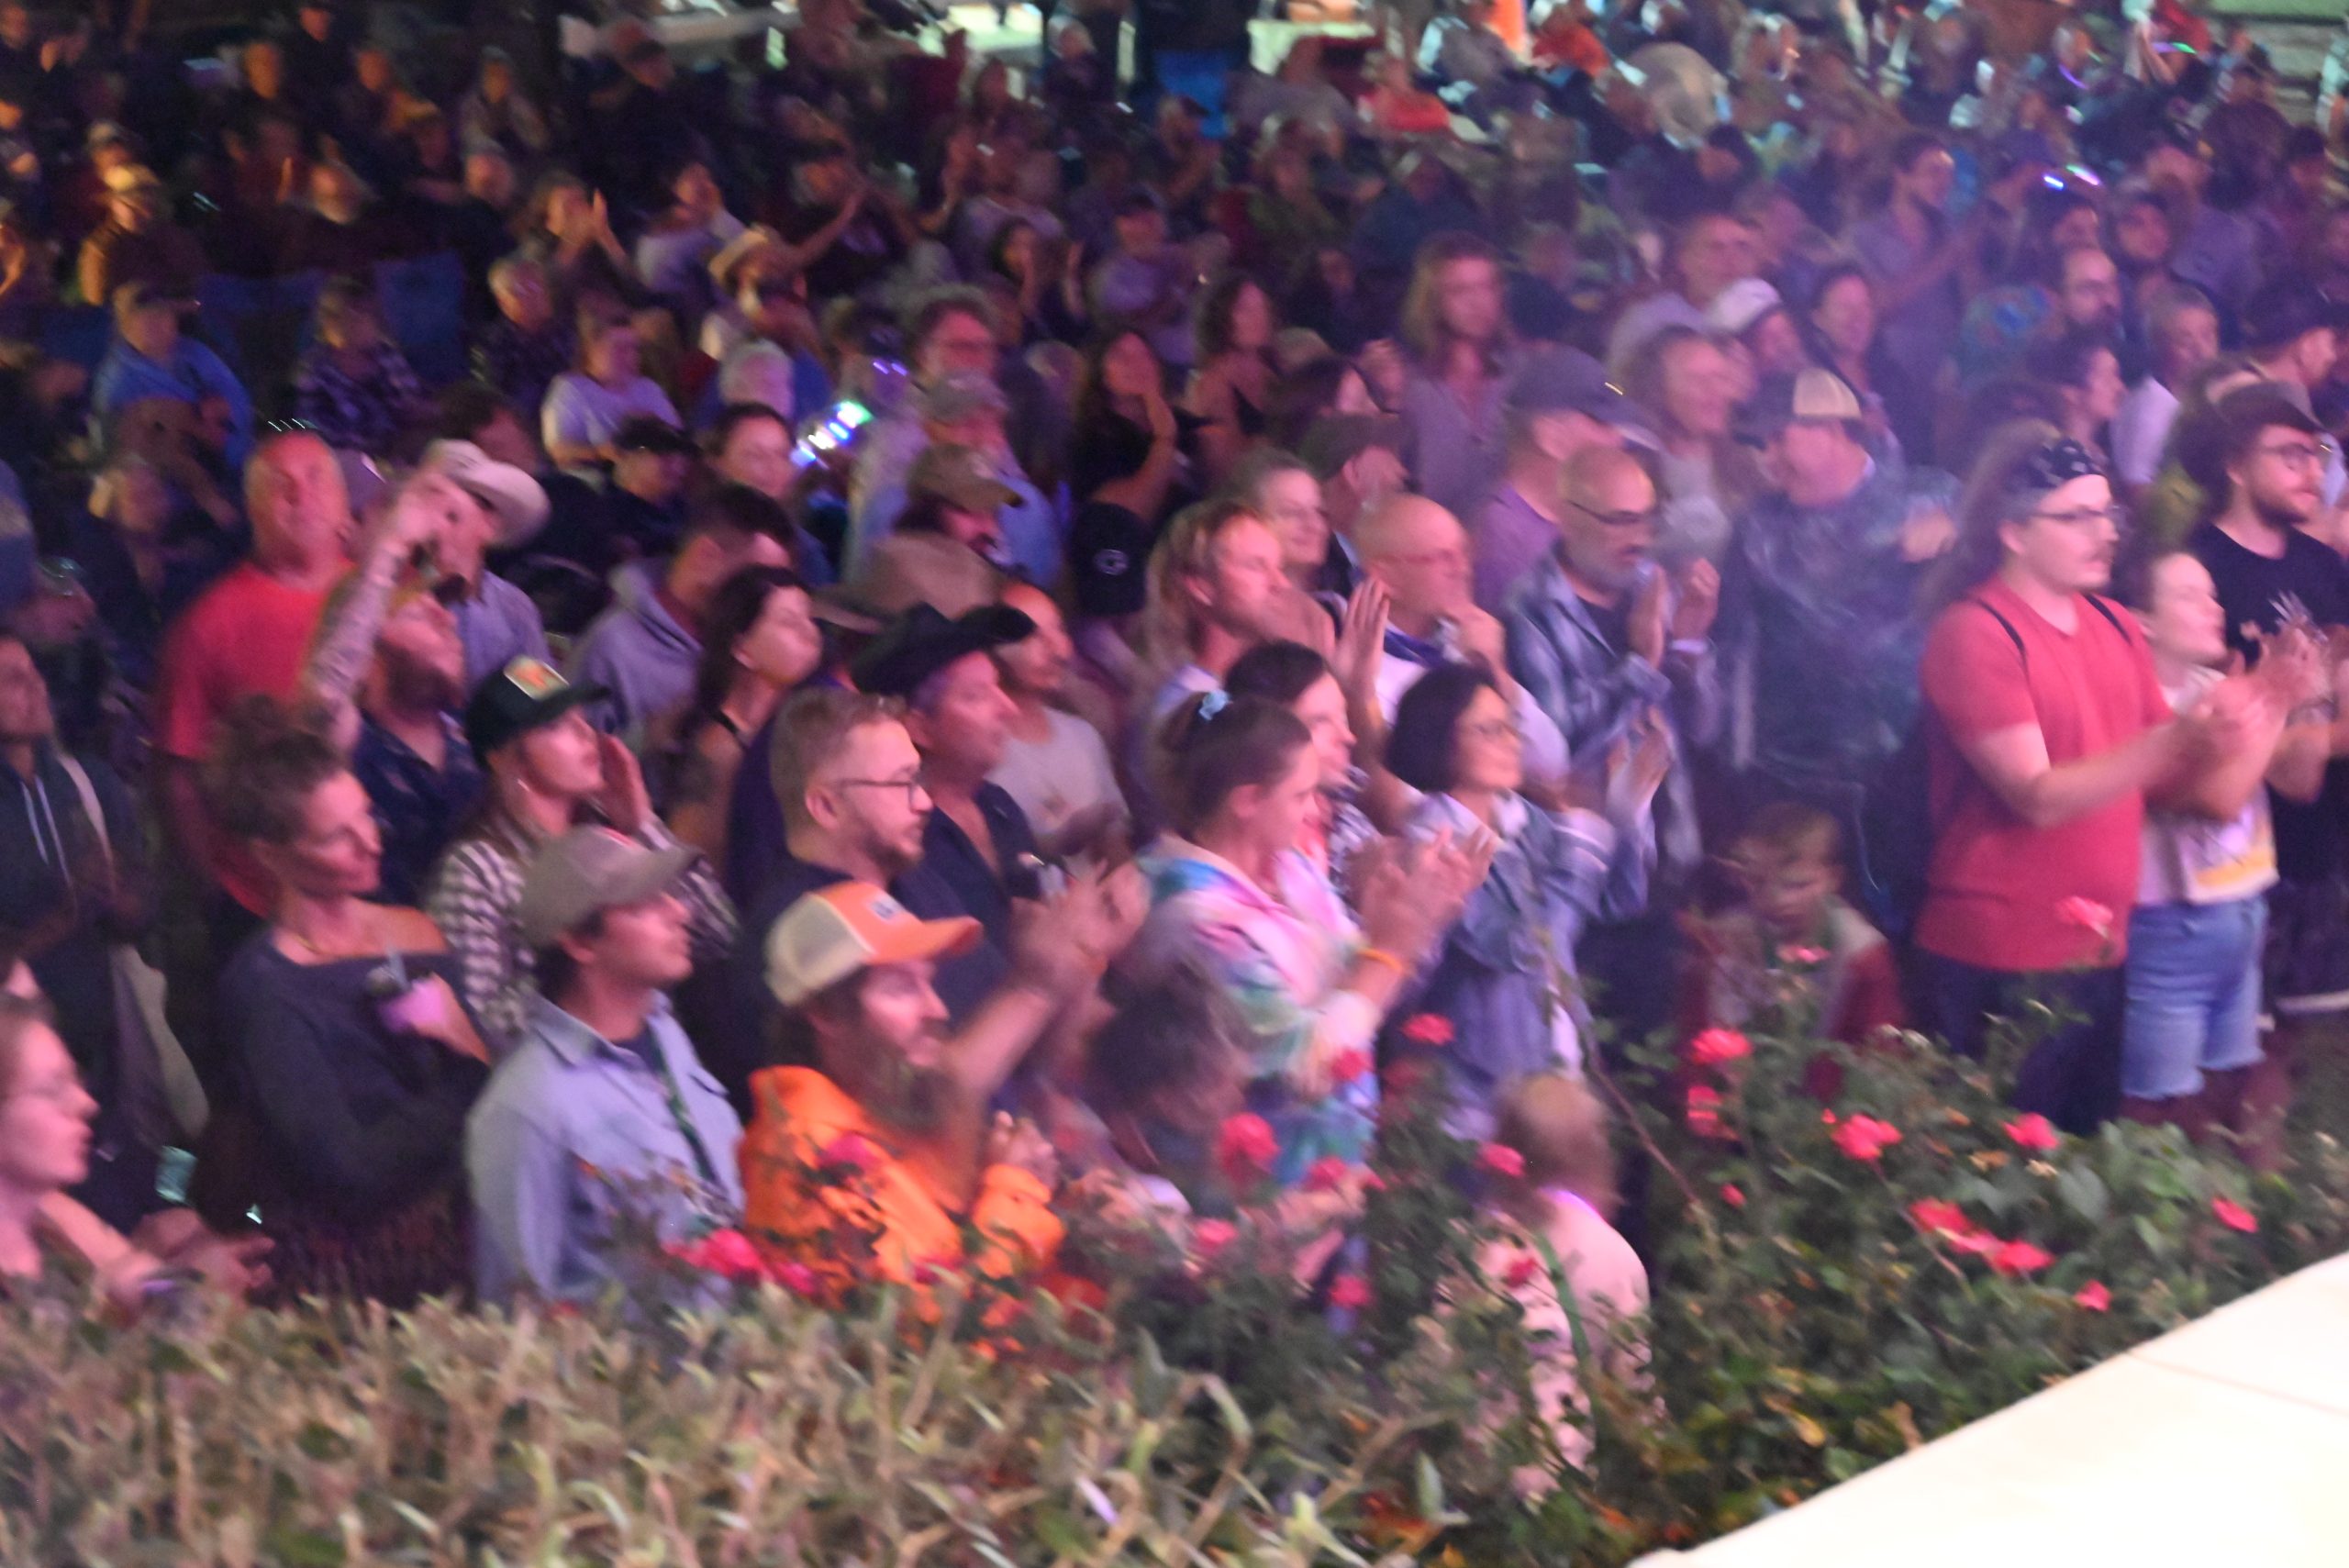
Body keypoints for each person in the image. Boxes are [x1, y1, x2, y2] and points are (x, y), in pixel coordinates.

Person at [1915, 423, 2266, 1132]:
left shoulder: (2112, 623)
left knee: (2082, 1165)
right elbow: (2037, 796)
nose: (2105, 533)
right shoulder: (1977, 631)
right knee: (2000, 1177)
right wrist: (2179, 735)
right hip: (2001, 956)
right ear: (2014, 531)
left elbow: (2157, 782)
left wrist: (2251, 713)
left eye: (2108, 513)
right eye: (2077, 517)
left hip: (2101, 946)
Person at [1129, 692, 1487, 1184]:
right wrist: (1390, 948)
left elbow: (1358, 992)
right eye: (1301, 795)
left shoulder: (1290, 865)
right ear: (1248, 800)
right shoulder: (1189, 913)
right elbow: (1301, 1062)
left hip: (1334, 1169)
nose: (1314, 809)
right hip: (1255, 1200)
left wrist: (1414, 916)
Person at [206, 701, 491, 1303]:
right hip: (346, 1277)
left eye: (365, 814)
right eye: (337, 836)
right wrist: (470, 1071)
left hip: (456, 1239)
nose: (369, 840)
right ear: (270, 854)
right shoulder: (267, 989)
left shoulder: (415, 929)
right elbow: (349, 1170)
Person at [739, 883, 1066, 1293]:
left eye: (929, 983)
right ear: (825, 1013)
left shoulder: (887, 1117)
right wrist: (1015, 1188)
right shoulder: (806, 1157)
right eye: (902, 988)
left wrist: (1081, 1239)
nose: (937, 1009)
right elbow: (931, 1334)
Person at [468, 827, 746, 1303]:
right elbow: (518, 1312)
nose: (681, 912)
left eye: (671, 896)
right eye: (645, 903)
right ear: (580, 941)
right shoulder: (527, 1106)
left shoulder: (666, 1034)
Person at [1386, 662, 1664, 1137]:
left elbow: (1618, 900)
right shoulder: (1430, 842)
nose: (1512, 740)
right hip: (1477, 1100)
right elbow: (1517, 947)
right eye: (1489, 730)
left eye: (1510, 724)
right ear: (1439, 739)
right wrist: (1582, 850)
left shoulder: (1526, 820)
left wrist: (1624, 814)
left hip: (1550, 1072)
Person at [1721, 369, 1957, 921]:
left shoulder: (1929, 496)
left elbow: (2010, 543)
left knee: (1905, 937)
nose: (1767, 457)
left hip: (1907, 769)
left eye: (1779, 437)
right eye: (1759, 444)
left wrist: (1963, 529)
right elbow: (1730, 652)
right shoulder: (1757, 527)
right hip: (1795, 779)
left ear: (1832, 428)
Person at [1508, 446, 1722, 1037]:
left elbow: (1706, 732)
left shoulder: (1656, 590)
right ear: (1565, 513)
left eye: (1648, 519)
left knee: (1656, 1079)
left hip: (1663, 881)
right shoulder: (1529, 615)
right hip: (1583, 894)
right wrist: (1638, 662)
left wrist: (1689, 649)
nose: (1639, 537)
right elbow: (1556, 751)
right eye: (1619, 520)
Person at [425, 656, 735, 1057]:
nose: (585, 733)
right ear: (507, 758)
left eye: (581, 717)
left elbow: (720, 936)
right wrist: (582, 962)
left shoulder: (613, 836)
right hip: (561, 1081)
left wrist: (641, 823)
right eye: (555, 725)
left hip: (658, 1056)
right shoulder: (475, 870)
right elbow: (476, 1025)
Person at [2187, 386, 2349, 1118]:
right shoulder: (2196, 571)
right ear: (2235, 465)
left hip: (2320, 841)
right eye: (2288, 454)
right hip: (2233, 843)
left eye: (2316, 454)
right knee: (2229, 1058)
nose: (2311, 470)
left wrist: (2318, 735)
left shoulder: (2324, 565)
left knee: (2306, 1037)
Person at [2122, 550, 2319, 1148]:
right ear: (2143, 620)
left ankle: (2207, 1221)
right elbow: (2218, 800)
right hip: (2171, 928)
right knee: (2153, 1103)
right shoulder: (2141, 701)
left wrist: (2305, 692)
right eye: (2188, 596)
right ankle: (2148, 1228)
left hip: (2240, 915)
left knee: (2223, 1082)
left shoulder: (2219, 686)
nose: (2213, 608)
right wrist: (2273, 699)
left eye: (2212, 595)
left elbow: (2297, 781)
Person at [154, 433, 353, 928]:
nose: (301, 496)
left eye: (315, 479)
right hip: (269, 900)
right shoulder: (210, 622)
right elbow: (181, 776)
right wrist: (215, 887)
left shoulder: (388, 594)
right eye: (280, 485)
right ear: (252, 509)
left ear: (344, 499)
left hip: (394, 876)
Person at [0, 633, 160, 1226]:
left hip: (106, 1049)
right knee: (50, 1214)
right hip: (17, 1072)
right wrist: (67, 912)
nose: (34, 685)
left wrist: (120, 896)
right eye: (11, 677)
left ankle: (172, 1228)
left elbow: (145, 913)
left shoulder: (89, 780)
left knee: (145, 1175)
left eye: (34, 670)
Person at [1473, 1073, 1649, 1475]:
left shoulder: (1480, 1244)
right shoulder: (1615, 1254)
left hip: (1481, 1467)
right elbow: (1634, 1389)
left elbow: (1444, 1360)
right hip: (1565, 1468)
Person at [567, 484, 797, 748]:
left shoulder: (749, 645)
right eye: (756, 578)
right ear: (706, 556)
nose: (768, 597)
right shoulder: (612, 646)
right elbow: (569, 756)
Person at [1682, 804, 1905, 1065]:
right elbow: (1692, 1040)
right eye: (1758, 882)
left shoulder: (1862, 956)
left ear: (1833, 879)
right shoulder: (1721, 940)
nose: (1777, 899)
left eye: (1798, 885)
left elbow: (1879, 1054)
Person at [656, 566, 823, 870]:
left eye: (809, 618)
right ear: (742, 647)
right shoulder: (721, 750)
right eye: (789, 622)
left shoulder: (791, 727)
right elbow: (695, 863)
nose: (809, 632)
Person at [1474, 349, 1637, 614]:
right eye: (1602, 424)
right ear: (1551, 437)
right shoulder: (1505, 538)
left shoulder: (1577, 520)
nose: (1618, 440)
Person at [990, 581, 1129, 859]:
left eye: (1059, 629)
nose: (1056, 649)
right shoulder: (983, 754)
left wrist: (1123, 878)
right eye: (1032, 636)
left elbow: (1114, 838)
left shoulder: (1083, 735)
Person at [1396, 233, 1521, 524]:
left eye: (1486, 287)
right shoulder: (1411, 388)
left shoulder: (1521, 375)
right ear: (1434, 300)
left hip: (1511, 547)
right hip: (1434, 546)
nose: (1478, 303)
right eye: (1460, 291)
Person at [90, 283, 255, 473]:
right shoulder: (116, 381)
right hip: (172, 482)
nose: (158, 322)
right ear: (125, 328)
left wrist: (222, 408)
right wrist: (193, 419)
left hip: (236, 462)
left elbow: (240, 402)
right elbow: (115, 449)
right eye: (146, 317)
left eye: (163, 313)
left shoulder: (195, 352)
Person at [290, 277, 427, 458]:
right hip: (345, 461)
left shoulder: (386, 356)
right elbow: (316, 431)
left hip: (400, 454)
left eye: (366, 314)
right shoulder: (314, 371)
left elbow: (409, 403)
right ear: (328, 323)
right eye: (350, 315)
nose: (362, 322)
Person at [2112, 283, 2221, 499]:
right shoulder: (2149, 410)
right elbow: (2136, 492)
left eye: (2208, 336)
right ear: (2159, 345)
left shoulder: (2208, 395)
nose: (2201, 351)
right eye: (2185, 340)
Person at [541, 315, 682, 472]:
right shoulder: (571, 389)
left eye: (634, 348)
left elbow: (676, 436)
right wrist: (599, 453)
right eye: (620, 349)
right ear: (592, 350)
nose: (631, 357)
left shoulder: (648, 388)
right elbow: (559, 450)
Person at [1186, 272, 1278, 485]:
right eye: (1245, 310)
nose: (1259, 317)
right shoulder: (1211, 384)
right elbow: (1222, 469)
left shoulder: (1272, 368)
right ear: (1220, 317)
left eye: (1262, 307)